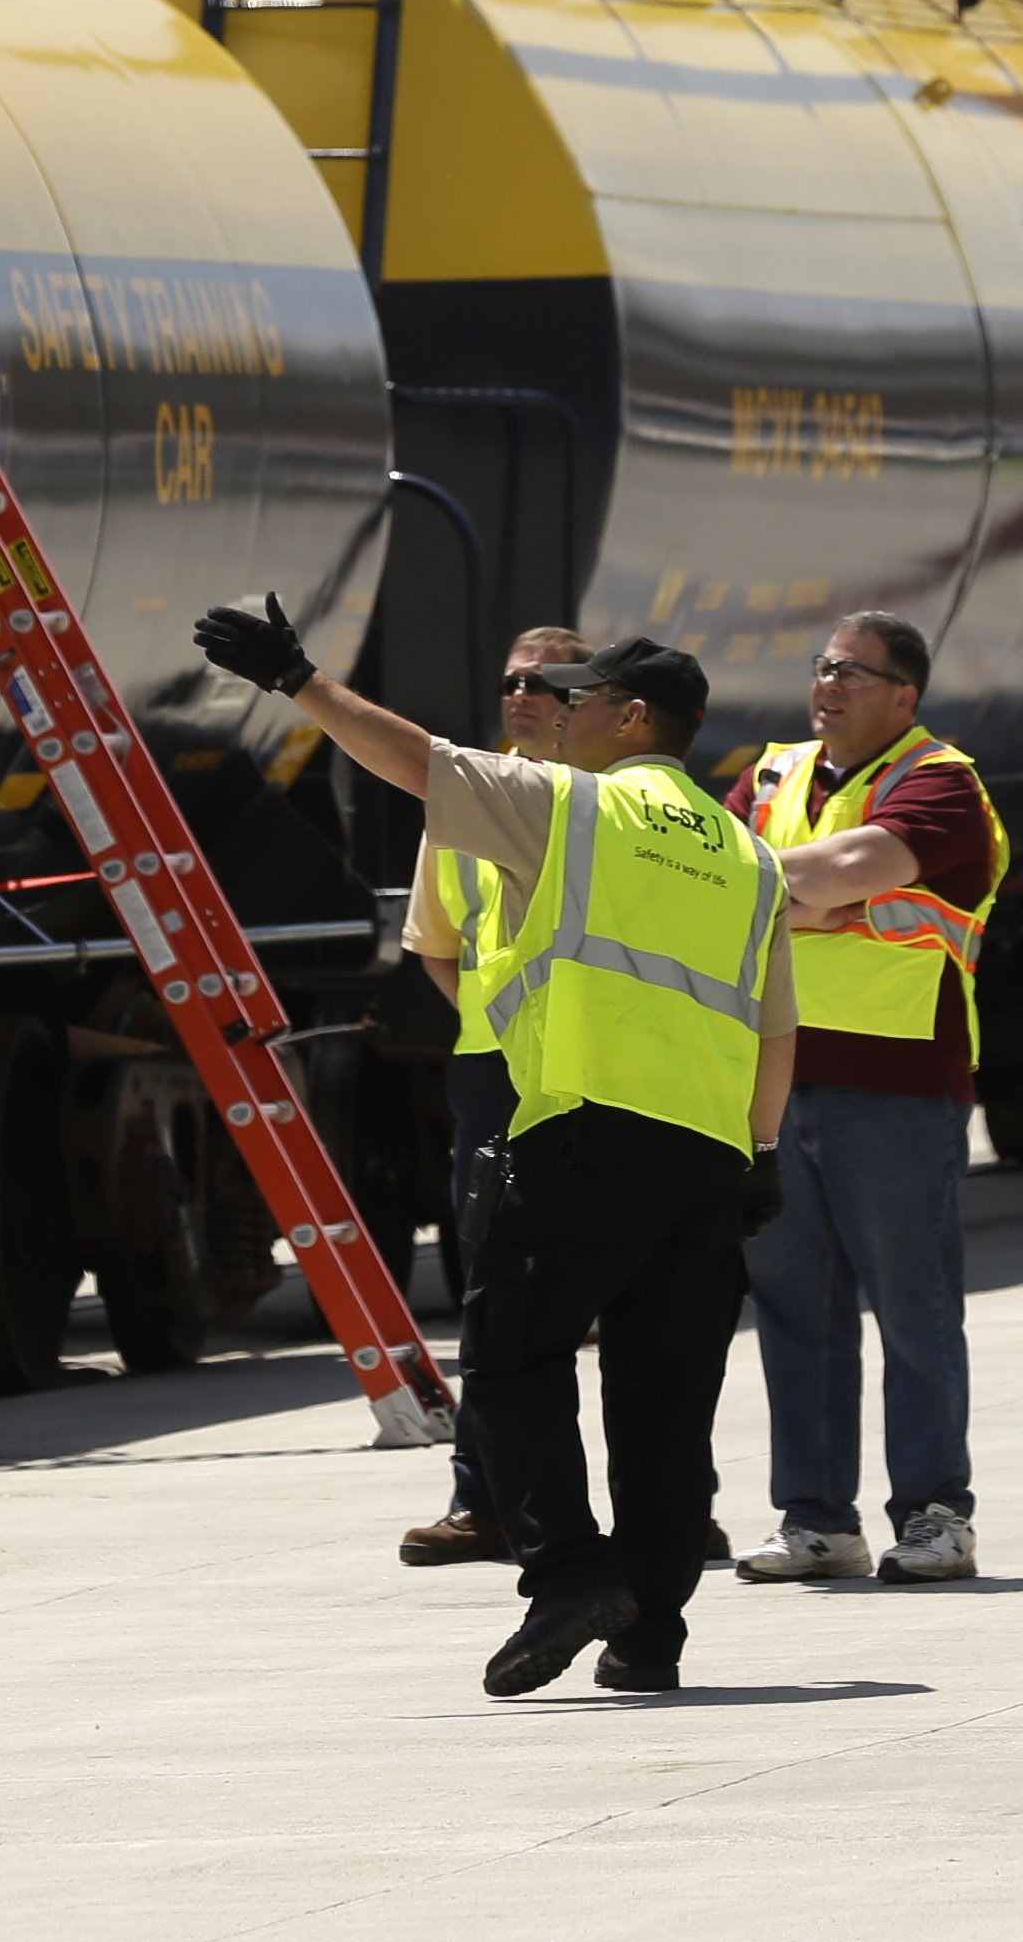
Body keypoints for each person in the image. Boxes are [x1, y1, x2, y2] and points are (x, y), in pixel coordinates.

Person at [194, 603, 793, 1696]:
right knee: (665, 1397)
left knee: (515, 1359)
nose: (560, 712)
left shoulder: (573, 810)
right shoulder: (751, 857)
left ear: (630, 717)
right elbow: (776, 1025)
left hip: (582, 1130)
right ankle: (650, 1635)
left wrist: (296, 678)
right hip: (705, 1158)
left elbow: (412, 760)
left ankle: (567, 1571)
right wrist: (758, 1155)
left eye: (582, 697)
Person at [727, 611, 1003, 1587]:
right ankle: (816, 1520)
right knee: (796, 1309)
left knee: (914, 1309)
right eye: (822, 667)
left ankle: (935, 1514)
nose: (829, 685)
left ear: (904, 695)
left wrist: (797, 891)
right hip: (773, 1078)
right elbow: (724, 880)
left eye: (853, 671)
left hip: (895, 1084)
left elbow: (853, 868)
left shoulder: (940, 783)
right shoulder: (770, 777)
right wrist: (809, 902)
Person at [391, 624, 590, 1568]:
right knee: (491, 1290)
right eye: (513, 680)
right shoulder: (462, 799)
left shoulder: (604, 800)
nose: (524, 696)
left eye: (547, 684)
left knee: (614, 1287)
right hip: (495, 1074)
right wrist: (503, 1019)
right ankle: (483, 1503)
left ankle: (658, 1502)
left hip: (596, 1067)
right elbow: (436, 947)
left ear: (585, 698)